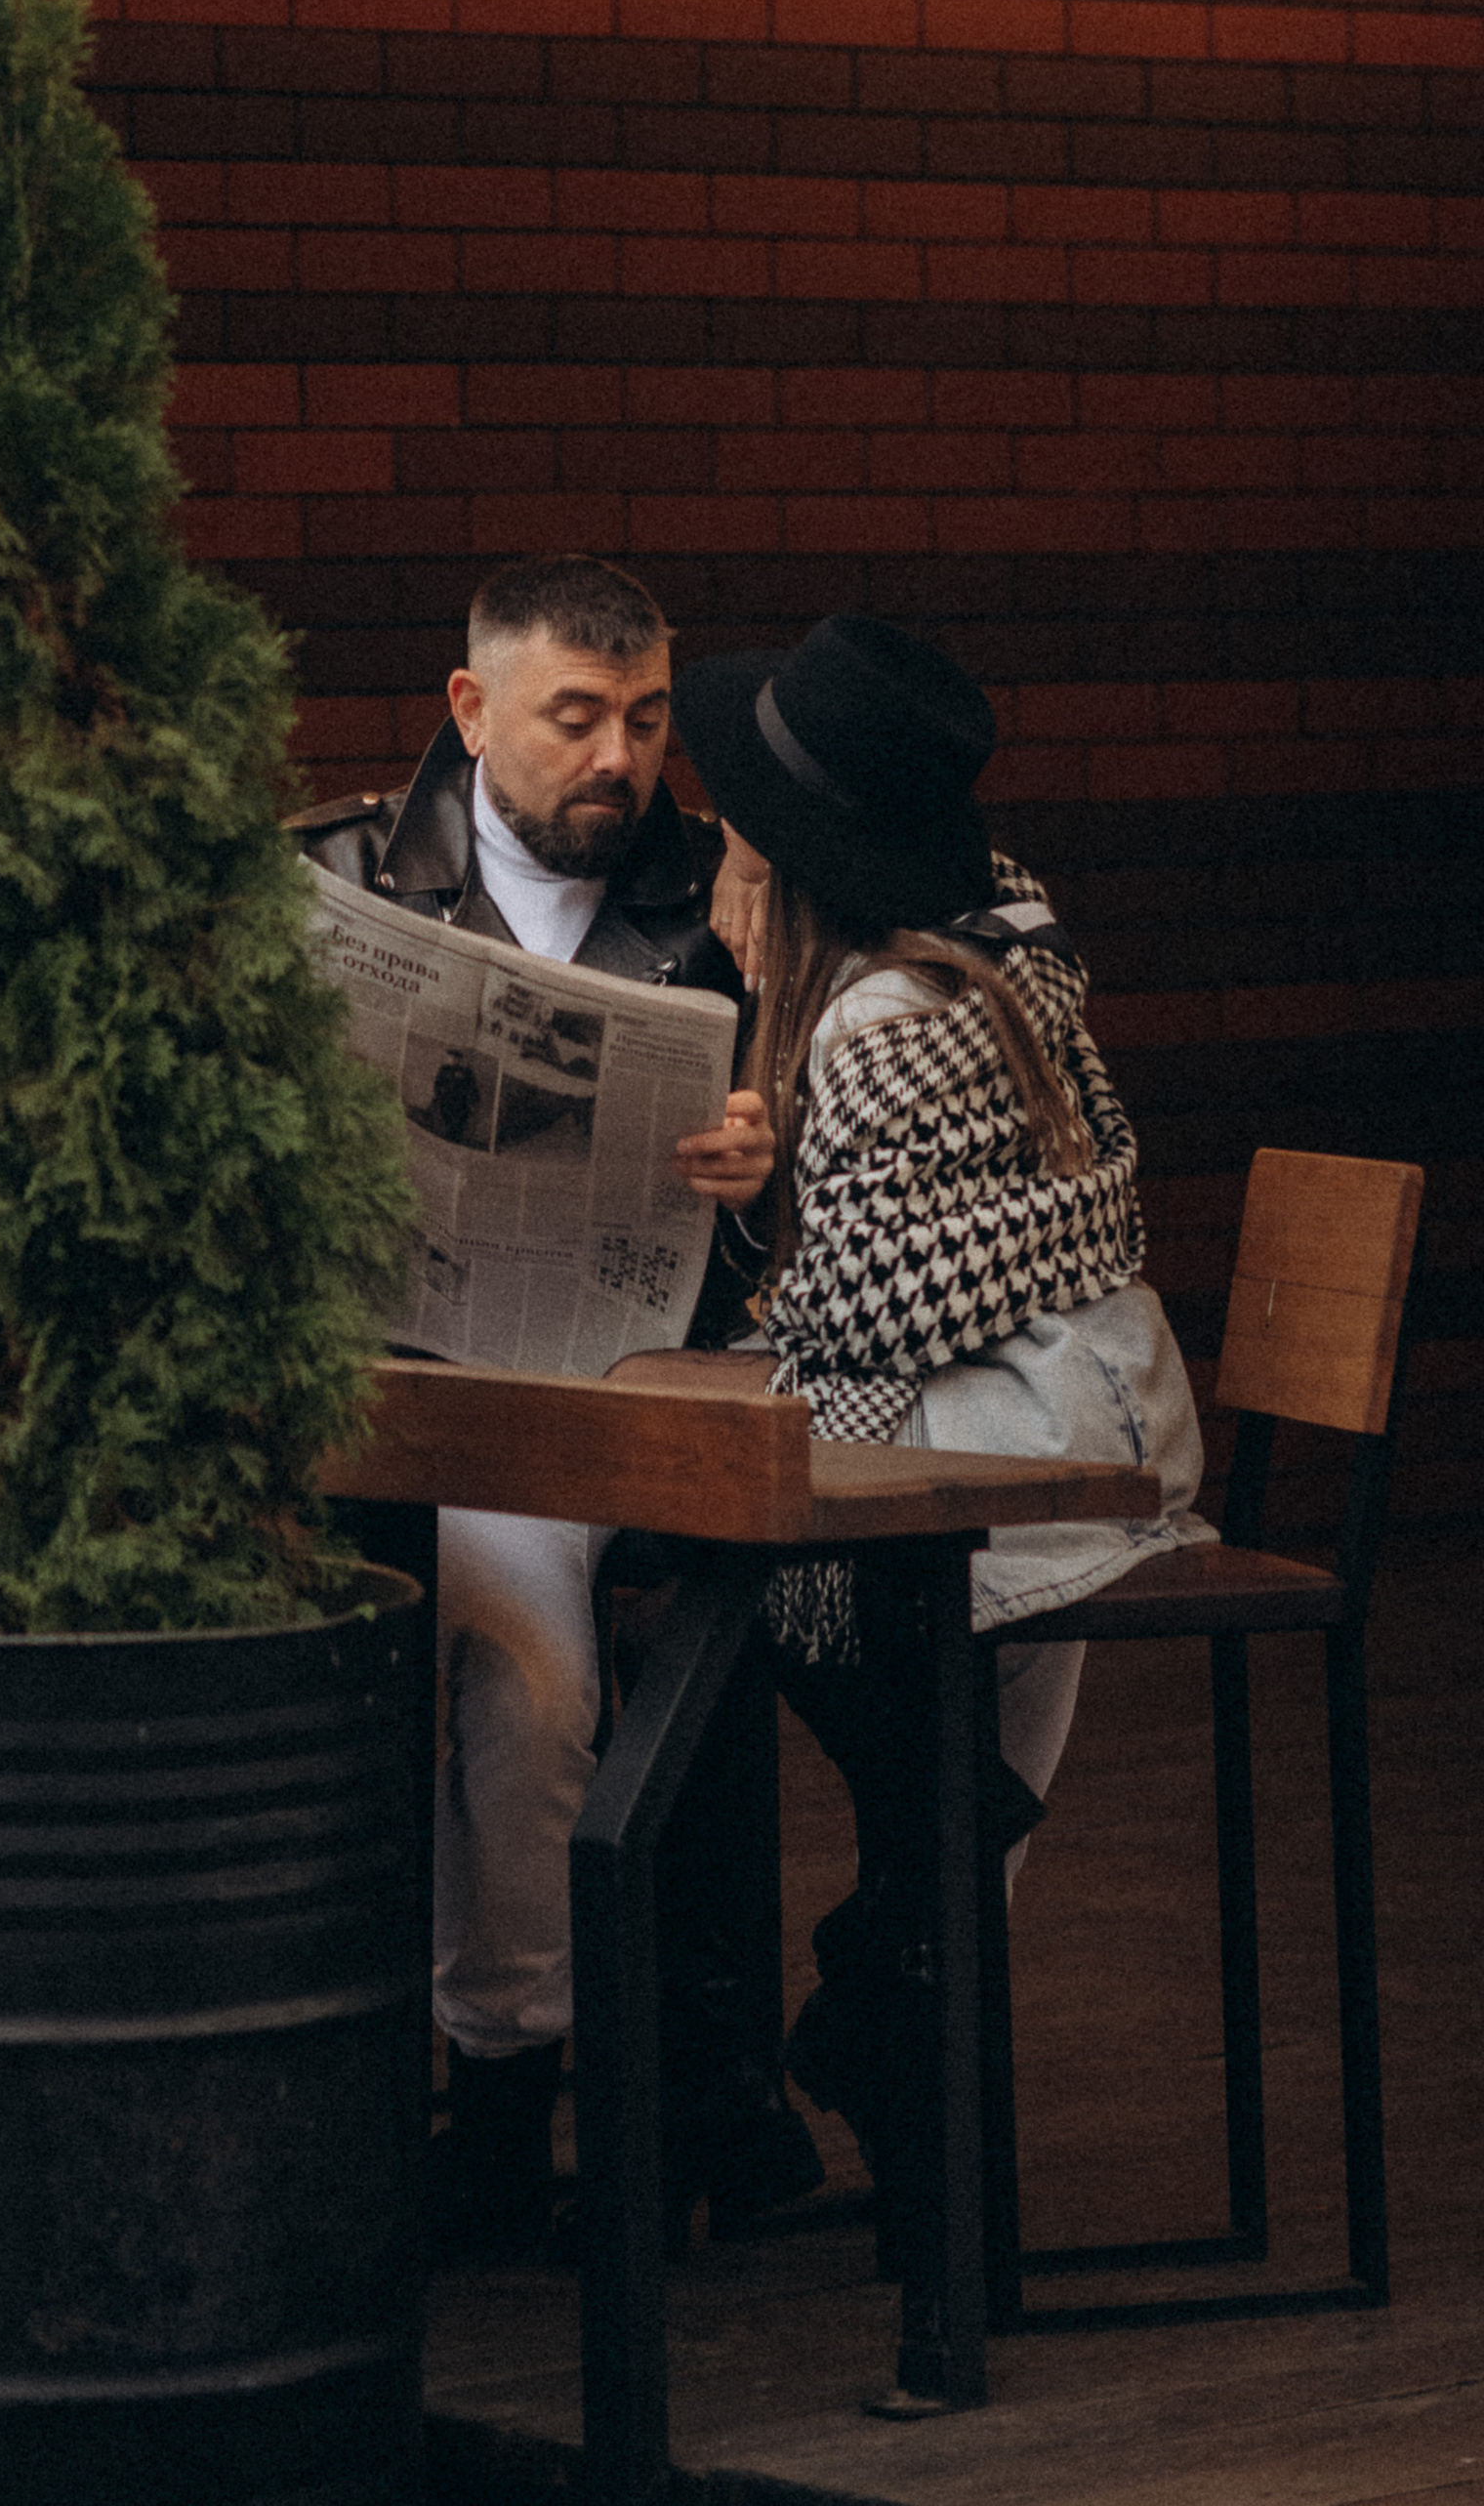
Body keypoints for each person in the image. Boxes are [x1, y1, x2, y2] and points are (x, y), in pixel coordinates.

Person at [669, 612, 1210, 2272]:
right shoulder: (1001, 940)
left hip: (1033, 1455)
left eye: (742, 836)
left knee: (740, 1581)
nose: (722, 858)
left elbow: (855, 1328)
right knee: (913, 1749)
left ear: (798, 865)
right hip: (1097, 1414)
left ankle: (887, 1996)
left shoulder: (881, 1023)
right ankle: (909, 2015)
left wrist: (767, 1224)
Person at [299, 555, 814, 2261]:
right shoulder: (344, 882)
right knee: (518, 1670)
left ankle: (527, 2087)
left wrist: (755, 1173)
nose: (619, 759)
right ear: (470, 710)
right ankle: (537, 2076)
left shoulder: (719, 892)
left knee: (536, 1681)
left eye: (649, 721)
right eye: (576, 719)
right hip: (393, 1398)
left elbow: (796, 1226)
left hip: (625, 1389)